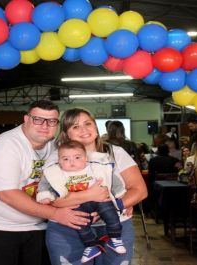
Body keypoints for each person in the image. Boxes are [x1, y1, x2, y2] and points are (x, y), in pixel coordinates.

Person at [0, 100, 91, 265]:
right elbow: (8, 195)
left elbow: (78, 174)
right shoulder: (6, 146)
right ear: (26, 119)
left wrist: (116, 200)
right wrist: (56, 214)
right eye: (38, 119)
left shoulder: (55, 146)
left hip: (36, 226)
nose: (45, 125)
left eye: (51, 121)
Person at [45, 108, 148, 265]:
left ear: (95, 127)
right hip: (69, 228)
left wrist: (113, 207)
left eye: (88, 123)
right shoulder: (58, 156)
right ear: (66, 133)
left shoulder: (115, 152)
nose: (84, 130)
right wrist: (92, 196)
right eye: (75, 126)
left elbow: (139, 190)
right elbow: (52, 200)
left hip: (115, 226)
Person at [37, 141, 126, 263]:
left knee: (110, 212)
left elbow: (111, 179)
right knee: (80, 224)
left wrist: (119, 193)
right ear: (59, 160)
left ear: (85, 158)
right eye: (66, 159)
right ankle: (91, 245)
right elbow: (46, 186)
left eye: (77, 157)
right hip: (76, 206)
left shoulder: (96, 167)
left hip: (99, 201)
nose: (72, 162)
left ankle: (115, 238)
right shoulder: (55, 173)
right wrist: (45, 195)